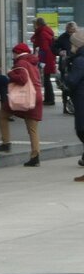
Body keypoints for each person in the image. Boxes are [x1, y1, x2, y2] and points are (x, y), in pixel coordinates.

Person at [4, 42, 43, 167]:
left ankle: (5, 142)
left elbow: (22, 79)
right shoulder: (33, 62)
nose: (13, 56)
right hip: (35, 96)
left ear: (17, 53)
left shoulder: (21, 63)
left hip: (25, 97)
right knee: (33, 129)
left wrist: (9, 73)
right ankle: (35, 156)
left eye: (14, 53)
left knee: (2, 115)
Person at [61, 29, 84, 178]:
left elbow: (72, 81)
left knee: (81, 130)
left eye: (72, 44)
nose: (71, 47)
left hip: (82, 99)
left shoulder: (80, 60)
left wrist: (64, 77)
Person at [32, 17, 57, 107]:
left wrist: (41, 62)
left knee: (46, 79)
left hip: (46, 59)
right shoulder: (46, 31)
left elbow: (44, 48)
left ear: (37, 24)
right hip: (49, 58)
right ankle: (49, 99)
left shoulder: (42, 33)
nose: (33, 26)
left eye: (34, 24)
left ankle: (49, 99)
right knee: (47, 79)